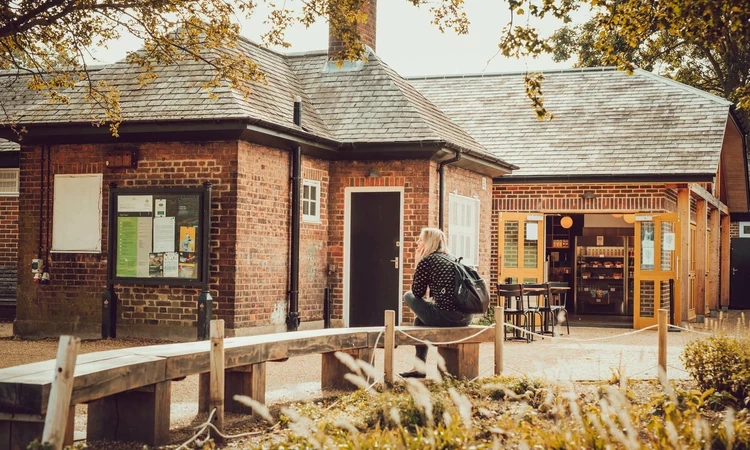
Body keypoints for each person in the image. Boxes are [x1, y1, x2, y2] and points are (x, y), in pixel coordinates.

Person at [399, 227, 473, 378]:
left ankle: (418, 368)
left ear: (428, 243)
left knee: (407, 295)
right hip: (466, 317)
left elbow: (417, 293)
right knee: (420, 320)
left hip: (446, 316)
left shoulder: (427, 261)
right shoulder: (451, 258)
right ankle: (418, 368)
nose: (417, 242)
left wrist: (417, 264)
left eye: (420, 239)